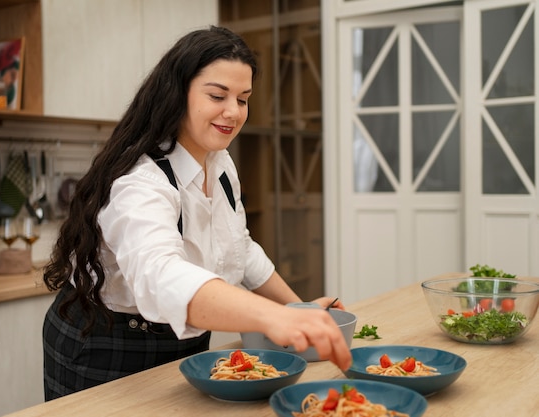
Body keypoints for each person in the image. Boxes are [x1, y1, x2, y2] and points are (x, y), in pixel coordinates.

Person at [42, 25, 351, 401]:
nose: (233, 112)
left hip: (184, 340)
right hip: (106, 344)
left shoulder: (220, 163)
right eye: (217, 95)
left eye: (243, 98)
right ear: (178, 93)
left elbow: (240, 246)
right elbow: (162, 275)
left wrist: (297, 309)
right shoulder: (141, 181)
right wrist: (274, 318)